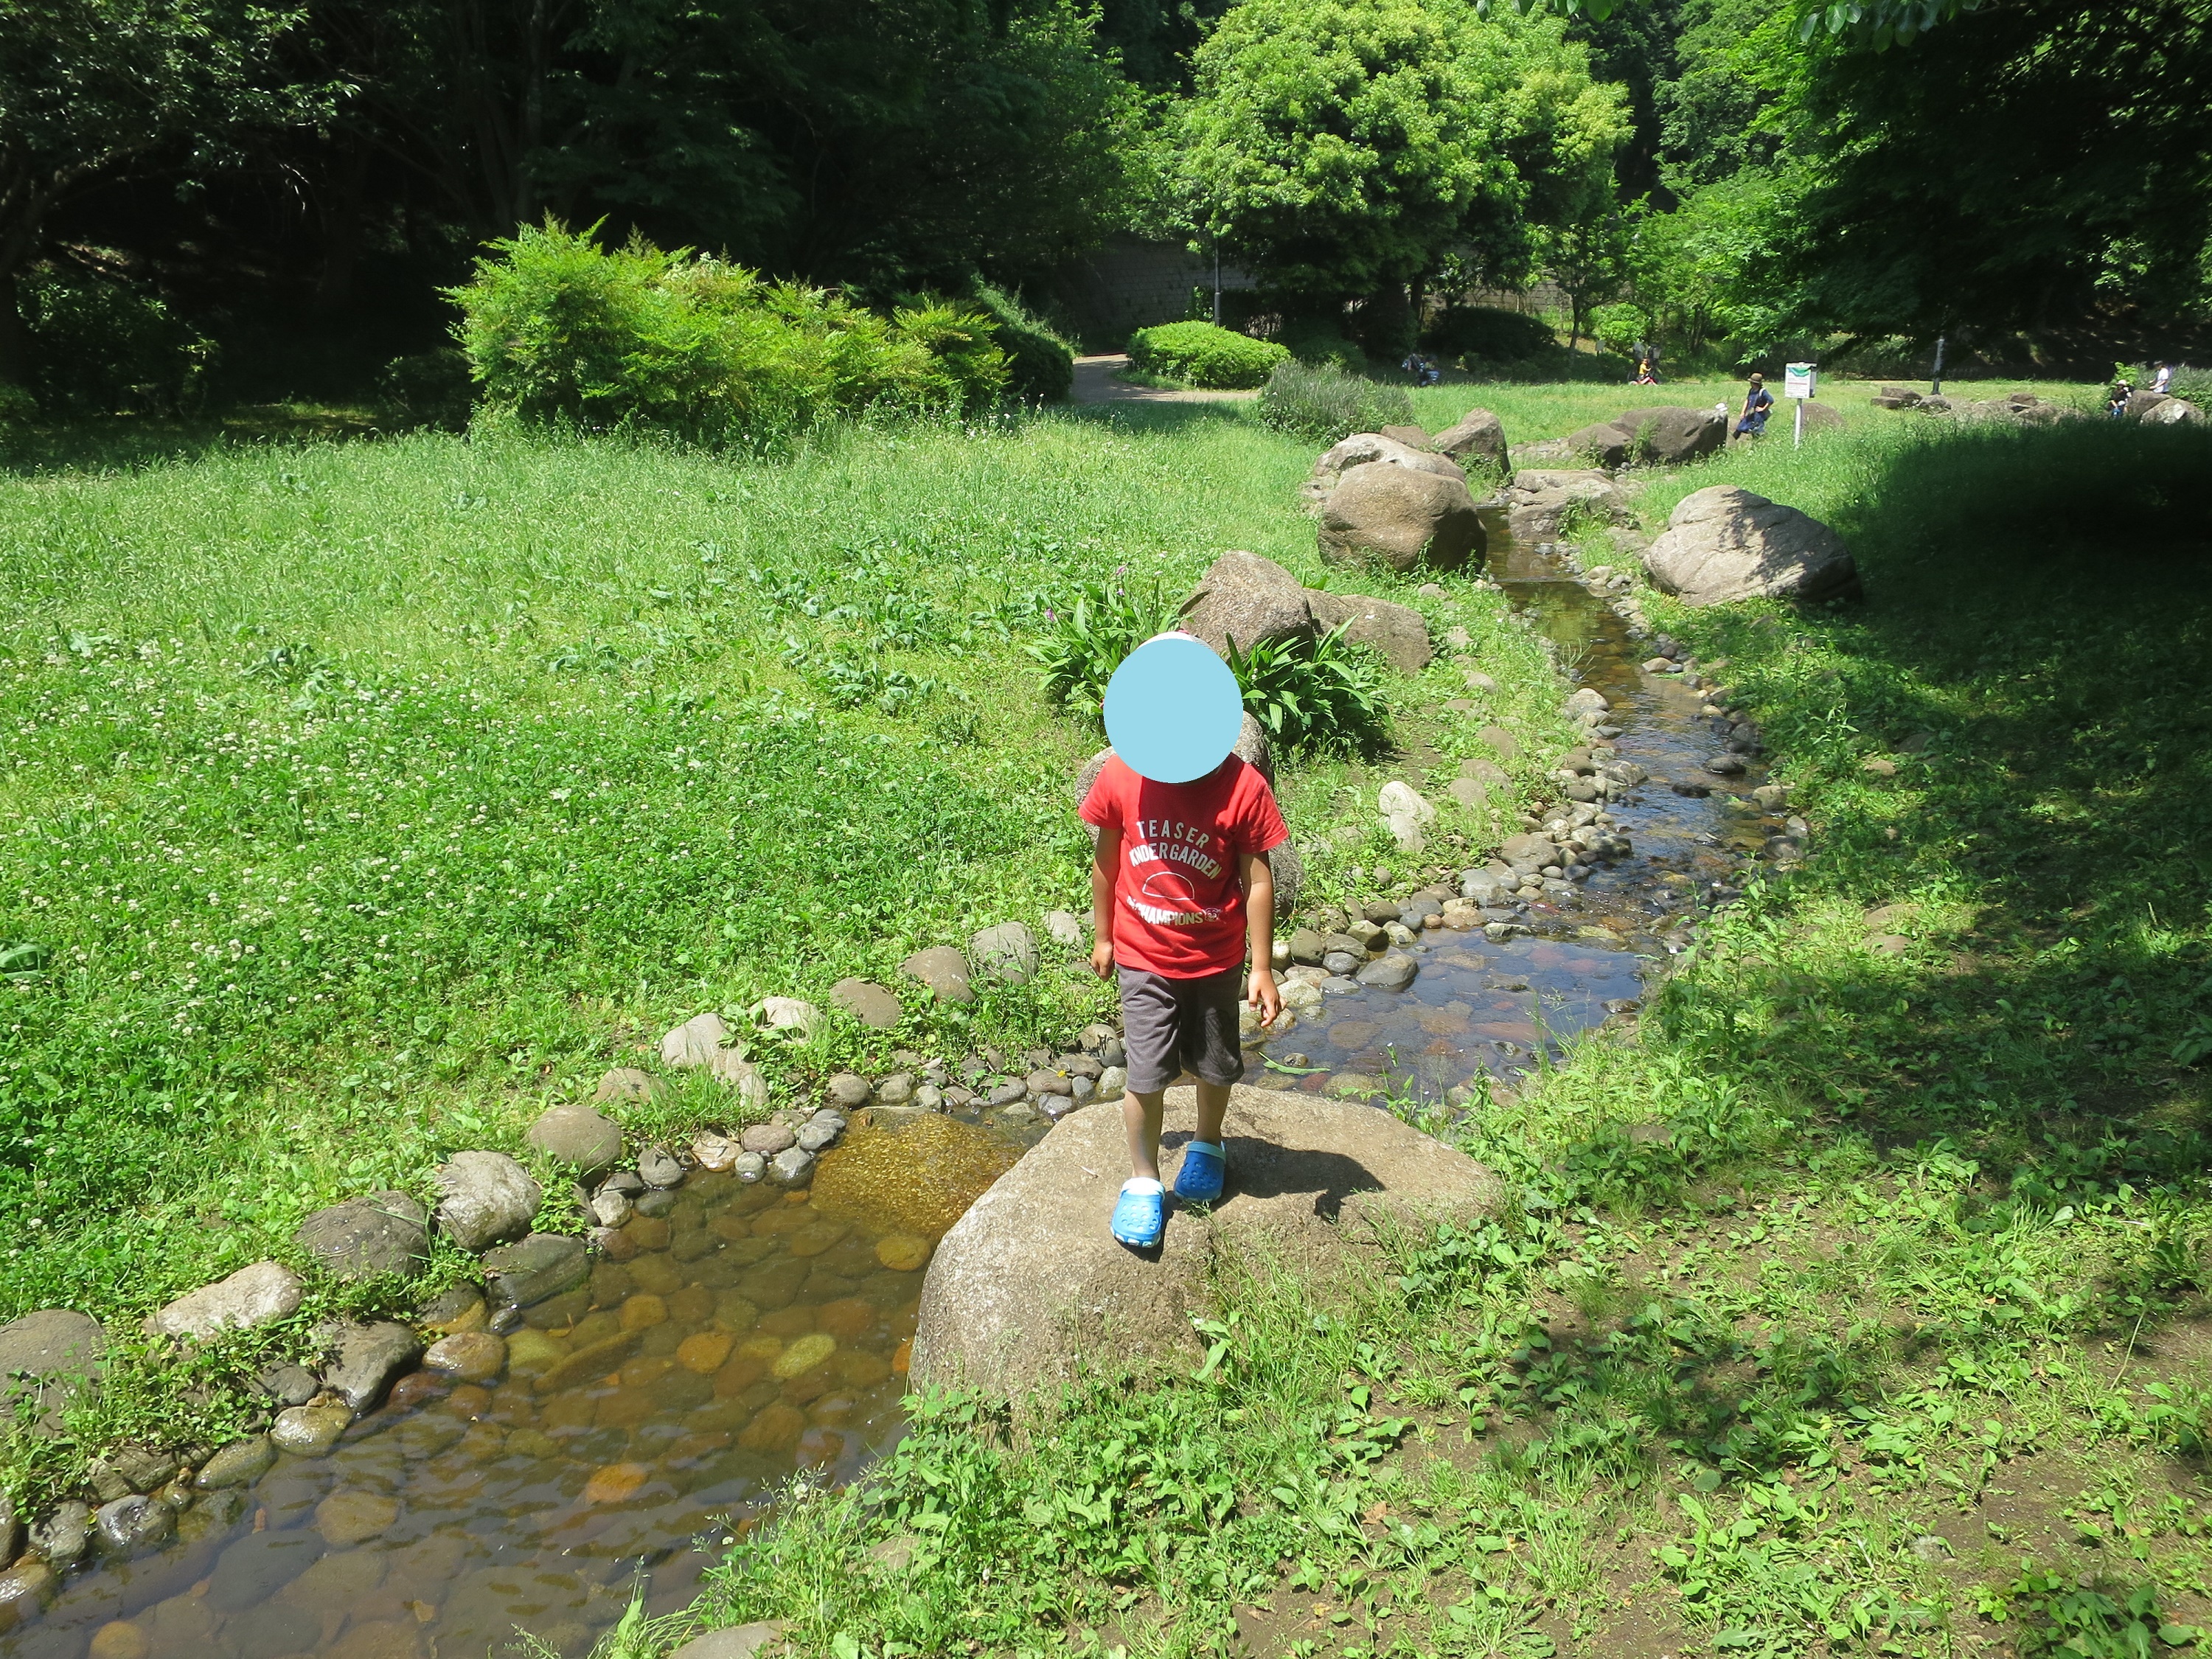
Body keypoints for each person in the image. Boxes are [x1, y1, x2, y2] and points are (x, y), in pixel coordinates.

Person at [1081, 636, 1287, 1250]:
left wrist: (1262, 965)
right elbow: (1105, 862)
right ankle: (1144, 1180)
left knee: (1216, 1061)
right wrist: (1102, 935)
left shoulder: (1241, 787)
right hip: (1144, 956)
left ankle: (1207, 1143)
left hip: (1217, 958)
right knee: (1145, 1074)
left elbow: (1257, 876)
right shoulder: (1122, 773)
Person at [1734, 372, 1774, 438]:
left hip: (1758, 415)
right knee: (1740, 428)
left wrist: (1763, 409)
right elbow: (1747, 400)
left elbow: (1771, 400)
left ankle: (1758, 443)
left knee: (1757, 431)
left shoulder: (1762, 391)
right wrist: (1743, 412)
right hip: (1750, 413)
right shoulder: (1752, 390)